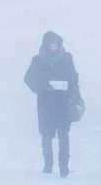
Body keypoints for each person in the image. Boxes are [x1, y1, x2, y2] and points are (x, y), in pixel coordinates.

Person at [23, 30, 83, 176]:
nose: (53, 46)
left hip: (64, 103)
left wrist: (75, 95)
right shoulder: (38, 60)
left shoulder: (67, 58)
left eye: (55, 43)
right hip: (46, 103)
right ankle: (48, 165)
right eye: (50, 43)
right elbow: (28, 78)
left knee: (64, 135)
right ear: (45, 44)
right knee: (46, 135)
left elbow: (74, 78)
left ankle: (64, 167)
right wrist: (43, 87)